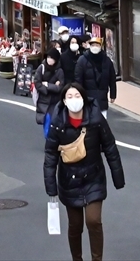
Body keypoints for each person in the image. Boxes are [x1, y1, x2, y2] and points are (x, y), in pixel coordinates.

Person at [43, 82, 124, 261]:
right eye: (69, 97)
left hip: (94, 177)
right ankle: (77, 258)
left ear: (84, 98)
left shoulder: (95, 119)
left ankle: (97, 258)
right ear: (64, 101)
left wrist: (118, 177)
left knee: (93, 221)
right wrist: (51, 188)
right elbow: (50, 155)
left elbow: (109, 145)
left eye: (77, 96)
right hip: (68, 180)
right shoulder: (58, 123)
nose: (74, 100)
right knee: (75, 225)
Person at [76, 35, 118, 115]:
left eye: (97, 45)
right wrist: (79, 95)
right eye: (93, 45)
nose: (95, 47)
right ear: (90, 46)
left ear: (100, 46)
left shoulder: (107, 61)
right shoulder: (82, 60)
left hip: (102, 96)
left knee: (102, 122)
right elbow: (78, 79)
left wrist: (113, 94)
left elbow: (112, 79)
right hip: (87, 97)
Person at [33, 47, 67, 134]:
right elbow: (37, 83)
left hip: (55, 101)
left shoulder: (59, 71)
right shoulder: (42, 68)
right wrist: (48, 89)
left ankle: (52, 141)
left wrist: (48, 85)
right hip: (43, 100)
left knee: (54, 122)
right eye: (48, 57)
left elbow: (60, 87)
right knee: (46, 121)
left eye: (52, 58)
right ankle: (49, 141)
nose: (49, 60)